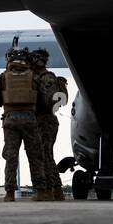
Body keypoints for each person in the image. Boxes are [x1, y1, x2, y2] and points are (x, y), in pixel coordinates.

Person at [0, 47, 50, 202]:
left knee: (11, 157)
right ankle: (40, 191)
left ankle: (9, 193)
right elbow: (45, 100)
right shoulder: (35, 77)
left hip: (10, 120)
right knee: (35, 156)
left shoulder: (2, 77)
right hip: (30, 119)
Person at [30, 48, 67, 201]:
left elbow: (49, 101)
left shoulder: (46, 78)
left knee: (45, 156)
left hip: (45, 120)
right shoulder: (41, 77)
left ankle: (51, 190)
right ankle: (55, 190)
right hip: (43, 120)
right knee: (46, 155)